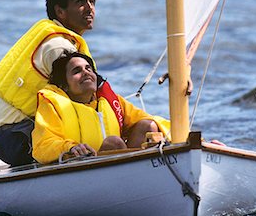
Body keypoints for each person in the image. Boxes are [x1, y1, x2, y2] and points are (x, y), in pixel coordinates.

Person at [0, 0, 98, 166]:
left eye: (91, 1)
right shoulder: (59, 47)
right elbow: (82, 99)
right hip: (18, 136)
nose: (89, 8)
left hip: (5, 134)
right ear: (60, 11)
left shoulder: (53, 39)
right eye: (80, 2)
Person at [32, 52, 171, 164]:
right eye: (77, 71)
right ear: (64, 85)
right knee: (114, 143)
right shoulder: (53, 105)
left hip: (116, 166)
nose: (86, 72)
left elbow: (145, 119)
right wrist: (70, 147)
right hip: (80, 169)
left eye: (88, 68)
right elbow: (42, 146)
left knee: (149, 126)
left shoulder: (110, 101)